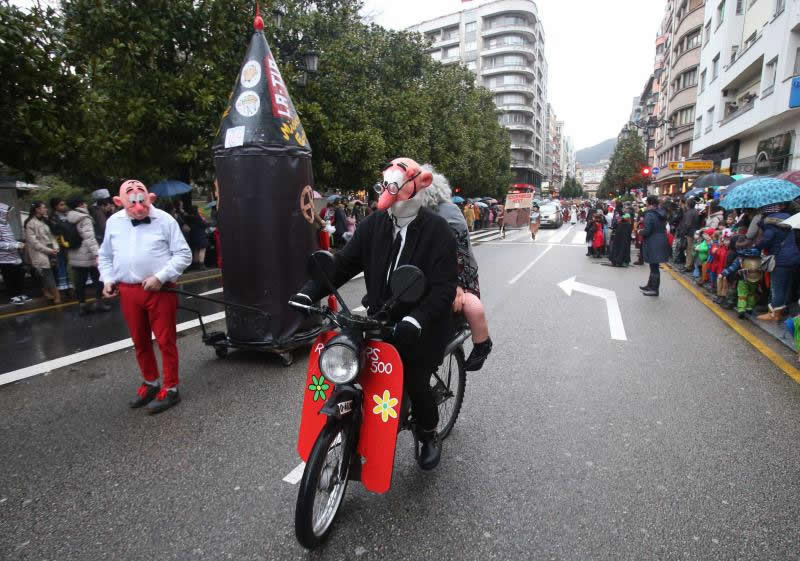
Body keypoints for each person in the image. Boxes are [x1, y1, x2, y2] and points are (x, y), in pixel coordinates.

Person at [291, 157, 456, 471]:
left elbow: (444, 288)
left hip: (421, 325)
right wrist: (309, 291)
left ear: (417, 187)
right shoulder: (371, 226)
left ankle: (428, 432)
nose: (390, 195)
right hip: (378, 318)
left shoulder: (438, 231)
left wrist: (416, 319)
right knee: (349, 362)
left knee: (417, 378)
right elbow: (342, 264)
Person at [99, 180, 192, 414]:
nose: (139, 207)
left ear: (150, 198)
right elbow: (106, 255)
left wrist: (161, 276)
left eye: (142, 202)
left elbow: (183, 254)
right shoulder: (114, 222)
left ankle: (171, 388)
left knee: (165, 340)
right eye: (132, 203)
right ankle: (150, 382)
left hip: (160, 290)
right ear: (119, 202)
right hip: (129, 291)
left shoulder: (165, 220)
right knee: (139, 341)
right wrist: (108, 279)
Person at [418, 164, 493, 371]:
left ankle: (482, 343)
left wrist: (456, 283)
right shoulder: (411, 212)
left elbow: (460, 251)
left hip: (457, 272)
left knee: (469, 303)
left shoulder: (448, 211)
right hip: (422, 272)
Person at [755, 204, 800, 321]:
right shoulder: (789, 221)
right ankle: (782, 311)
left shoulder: (770, 226)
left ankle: (774, 314)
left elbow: (766, 241)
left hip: (781, 260)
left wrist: (757, 245)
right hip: (794, 257)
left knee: (777, 287)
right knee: (787, 287)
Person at [66, 197, 111, 315]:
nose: (86, 205)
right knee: (98, 278)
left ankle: (82, 305)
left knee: (79, 281)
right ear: (81, 204)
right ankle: (99, 302)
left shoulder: (69, 217)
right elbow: (89, 238)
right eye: (84, 202)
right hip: (87, 254)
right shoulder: (84, 218)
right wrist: (97, 253)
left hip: (74, 253)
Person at [24, 201, 60, 303]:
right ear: (37, 209)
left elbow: (51, 236)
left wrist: (55, 246)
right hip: (41, 251)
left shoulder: (45, 221)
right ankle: (56, 294)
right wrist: (48, 250)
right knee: (47, 273)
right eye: (44, 207)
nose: (46, 209)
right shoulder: (30, 223)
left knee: (51, 272)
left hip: (51, 249)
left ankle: (47, 291)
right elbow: (33, 242)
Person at [639, 195, 670, 297]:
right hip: (661, 239)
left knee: (654, 267)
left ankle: (654, 289)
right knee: (654, 265)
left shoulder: (650, 215)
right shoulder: (661, 213)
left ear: (649, 203)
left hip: (653, 241)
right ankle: (650, 285)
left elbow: (647, 230)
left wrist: (640, 231)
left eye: (647, 202)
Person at [0, 202, 29, 304]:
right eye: (7, 213)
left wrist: (17, 243)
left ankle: (20, 294)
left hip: (15, 256)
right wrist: (15, 245)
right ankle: (13, 296)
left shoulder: (6, 224)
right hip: (4, 259)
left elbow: (9, 240)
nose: (9, 215)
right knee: (9, 278)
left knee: (19, 275)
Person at [49, 198, 73, 294]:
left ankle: (71, 286)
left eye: (64, 204)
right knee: (61, 265)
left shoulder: (67, 214)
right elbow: (56, 230)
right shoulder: (52, 218)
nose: (64, 206)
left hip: (69, 243)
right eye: (61, 205)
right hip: (59, 244)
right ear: (55, 207)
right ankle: (64, 287)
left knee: (69, 265)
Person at [679, 198, 700, 273]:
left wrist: (683, 232)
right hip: (694, 232)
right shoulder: (695, 212)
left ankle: (688, 266)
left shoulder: (689, 213)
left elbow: (687, 224)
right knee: (691, 249)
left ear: (688, 204)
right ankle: (689, 265)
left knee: (689, 250)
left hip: (689, 233)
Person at [184, 205, 209, 269]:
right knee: (202, 249)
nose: (199, 210)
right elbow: (204, 225)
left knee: (196, 250)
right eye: (198, 209)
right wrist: (204, 220)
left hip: (193, 235)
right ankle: (201, 264)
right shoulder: (198, 218)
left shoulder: (188, 217)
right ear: (195, 210)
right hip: (200, 235)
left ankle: (195, 264)